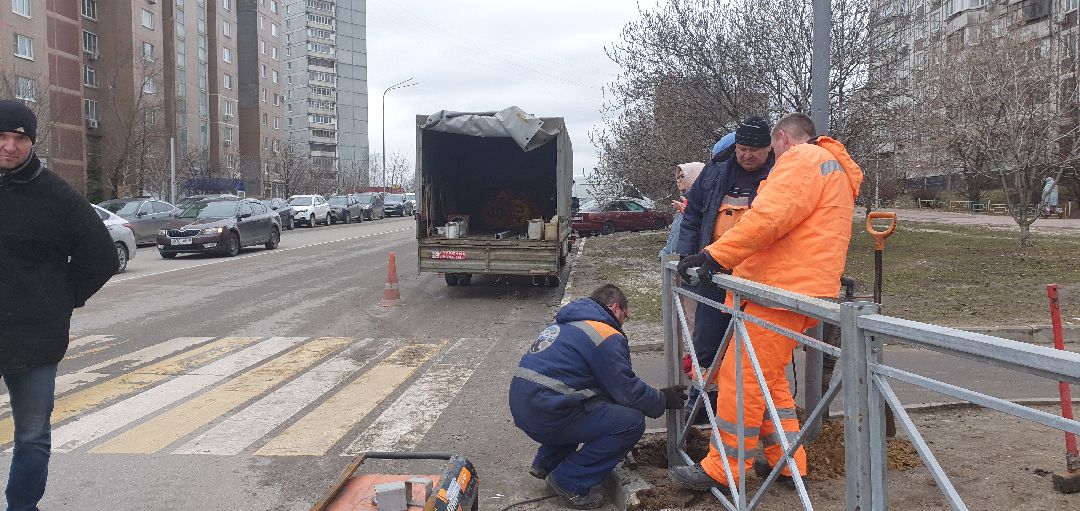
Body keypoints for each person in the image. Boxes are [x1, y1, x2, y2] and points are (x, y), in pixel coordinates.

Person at [671, 112, 864, 492]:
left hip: (780, 290)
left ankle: (724, 469)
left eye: (771, 148)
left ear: (782, 140)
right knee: (768, 380)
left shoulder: (802, 160)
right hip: (794, 288)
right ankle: (789, 463)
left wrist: (714, 256)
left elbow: (766, 218)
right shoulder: (829, 167)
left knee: (740, 377)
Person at [0, 99, 117, 510]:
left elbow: (101, 255)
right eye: (1, 136)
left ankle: (22, 507)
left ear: (31, 143)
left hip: (35, 339)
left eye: (20, 138)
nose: (10, 146)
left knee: (31, 435)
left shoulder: (55, 196)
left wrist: (60, 299)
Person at [509, 284, 687, 509]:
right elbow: (626, 390)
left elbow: (600, 390)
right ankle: (569, 480)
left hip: (526, 406)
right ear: (615, 308)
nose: (623, 322)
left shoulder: (567, 323)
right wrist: (662, 399)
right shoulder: (604, 334)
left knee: (584, 404)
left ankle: (546, 463)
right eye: (625, 316)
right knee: (630, 423)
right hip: (548, 414)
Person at [675, 117, 774, 421]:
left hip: (758, 276)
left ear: (768, 148)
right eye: (742, 149)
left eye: (754, 150)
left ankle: (748, 409)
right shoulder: (716, 171)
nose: (747, 155)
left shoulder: (780, 173)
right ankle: (703, 402)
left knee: (752, 347)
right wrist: (686, 256)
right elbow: (693, 215)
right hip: (713, 271)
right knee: (706, 339)